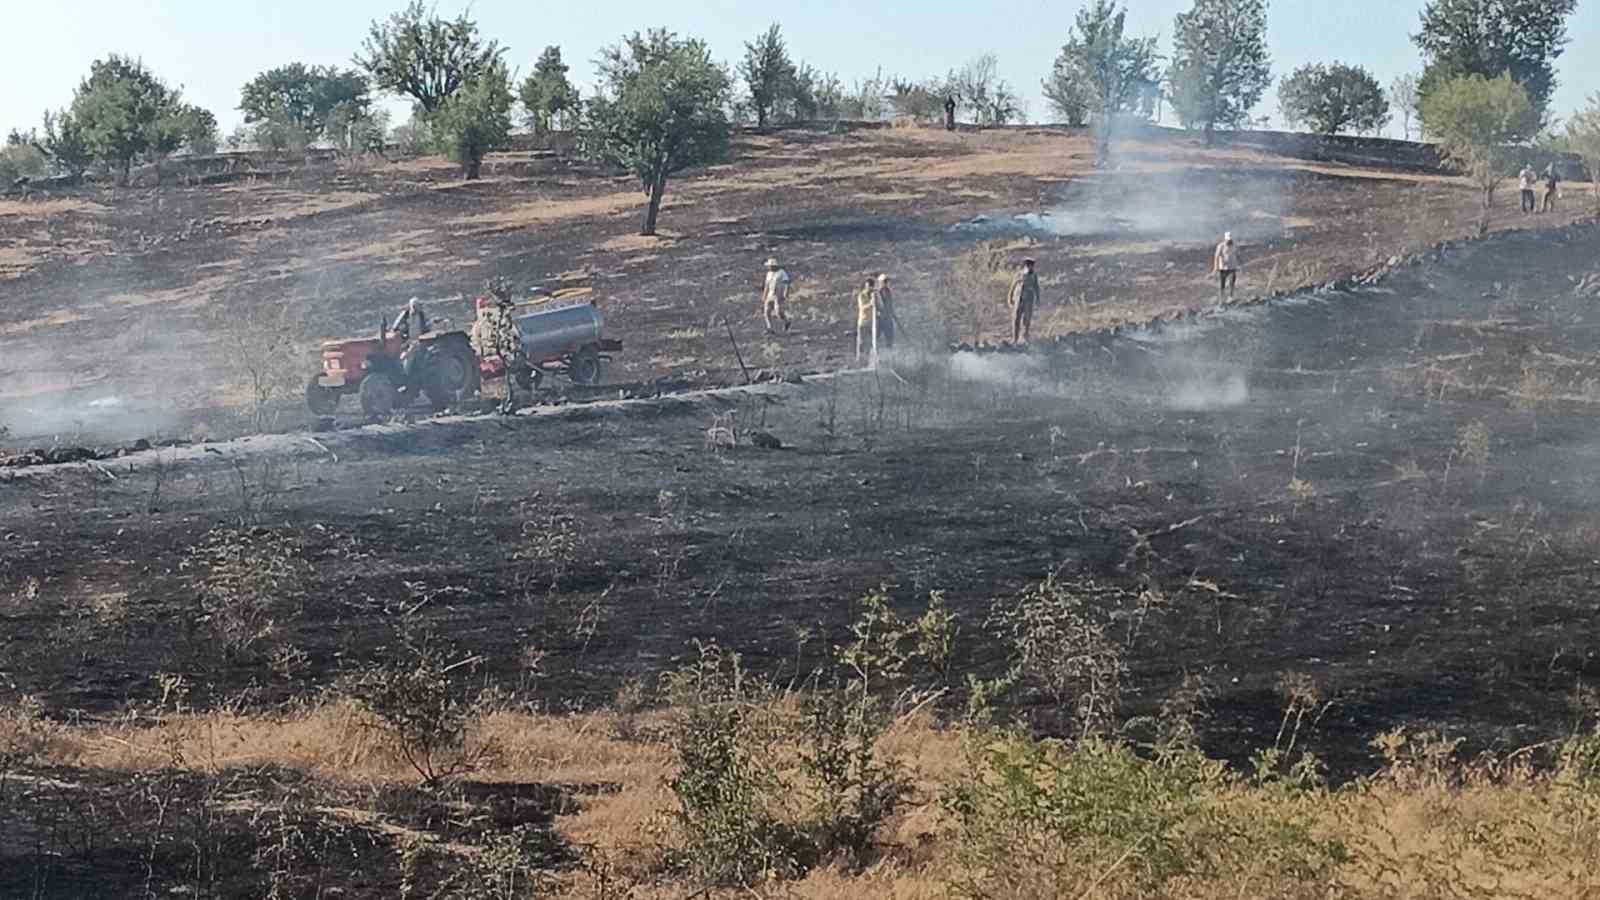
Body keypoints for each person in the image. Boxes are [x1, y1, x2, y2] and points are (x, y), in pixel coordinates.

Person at [1007, 258, 1041, 344]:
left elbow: (1036, 287)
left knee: (1026, 319)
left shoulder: (1034, 275)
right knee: (1016, 319)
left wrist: (1037, 299)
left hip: (1029, 300)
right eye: (1028, 265)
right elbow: (1013, 286)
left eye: (1031, 266)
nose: (1030, 267)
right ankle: (1015, 338)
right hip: (1018, 298)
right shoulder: (1019, 274)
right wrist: (1010, 297)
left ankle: (1025, 337)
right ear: (1026, 266)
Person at [762, 257, 791, 334]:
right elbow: (767, 284)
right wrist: (764, 294)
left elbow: (787, 282)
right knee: (766, 311)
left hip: (778, 294)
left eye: (770, 266)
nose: (768, 267)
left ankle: (786, 321)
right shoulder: (768, 274)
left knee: (778, 312)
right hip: (770, 294)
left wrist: (786, 292)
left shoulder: (781, 272)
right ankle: (769, 328)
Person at [1213, 232, 1240, 307]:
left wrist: (1239, 264)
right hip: (1223, 268)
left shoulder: (1235, 245)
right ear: (1225, 239)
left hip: (1232, 267)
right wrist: (1216, 267)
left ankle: (1231, 297)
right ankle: (1222, 299)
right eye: (1228, 240)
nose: (1229, 241)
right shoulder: (1221, 246)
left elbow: (1236, 254)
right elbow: (1216, 257)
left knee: (1232, 282)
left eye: (1230, 240)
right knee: (1222, 284)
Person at [855, 277, 878, 363]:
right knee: (861, 342)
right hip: (863, 322)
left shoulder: (874, 295)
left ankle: (867, 359)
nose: (869, 288)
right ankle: (859, 359)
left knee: (869, 342)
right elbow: (862, 307)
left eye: (870, 287)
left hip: (872, 323)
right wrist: (870, 304)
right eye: (867, 286)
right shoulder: (861, 295)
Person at [875, 273, 899, 351]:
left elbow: (890, 305)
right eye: (884, 281)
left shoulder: (888, 292)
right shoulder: (878, 293)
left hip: (888, 318)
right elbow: (878, 306)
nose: (885, 283)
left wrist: (893, 315)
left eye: (886, 281)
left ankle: (889, 352)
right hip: (880, 319)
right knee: (876, 337)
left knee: (889, 338)